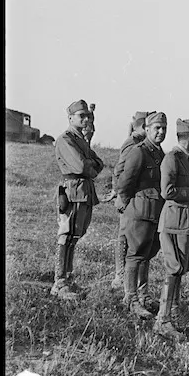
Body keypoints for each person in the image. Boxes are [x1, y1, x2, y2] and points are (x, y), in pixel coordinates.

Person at [154, 117, 189, 340]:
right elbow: (167, 191)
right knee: (173, 268)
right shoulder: (172, 159)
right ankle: (162, 321)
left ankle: (173, 311)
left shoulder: (185, 158)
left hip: (184, 219)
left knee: (180, 267)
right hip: (175, 219)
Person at [51, 99, 104, 299]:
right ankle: (59, 282)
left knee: (75, 236)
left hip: (83, 191)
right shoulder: (65, 139)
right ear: (70, 118)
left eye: (87, 116)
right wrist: (90, 164)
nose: (85, 119)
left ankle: (68, 279)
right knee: (66, 235)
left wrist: (90, 164)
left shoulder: (80, 139)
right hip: (72, 191)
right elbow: (82, 167)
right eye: (81, 116)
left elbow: (98, 163)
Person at [116, 111, 167, 319]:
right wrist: (129, 206)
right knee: (135, 255)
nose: (161, 132)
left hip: (154, 212)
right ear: (146, 129)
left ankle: (143, 294)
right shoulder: (139, 151)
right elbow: (125, 182)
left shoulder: (159, 153)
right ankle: (131, 298)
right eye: (157, 128)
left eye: (164, 128)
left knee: (146, 254)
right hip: (139, 212)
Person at [106, 111, 149, 290]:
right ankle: (119, 276)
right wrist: (120, 194)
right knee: (124, 236)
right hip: (129, 197)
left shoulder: (140, 142)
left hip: (135, 197)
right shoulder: (133, 142)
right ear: (144, 126)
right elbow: (120, 169)